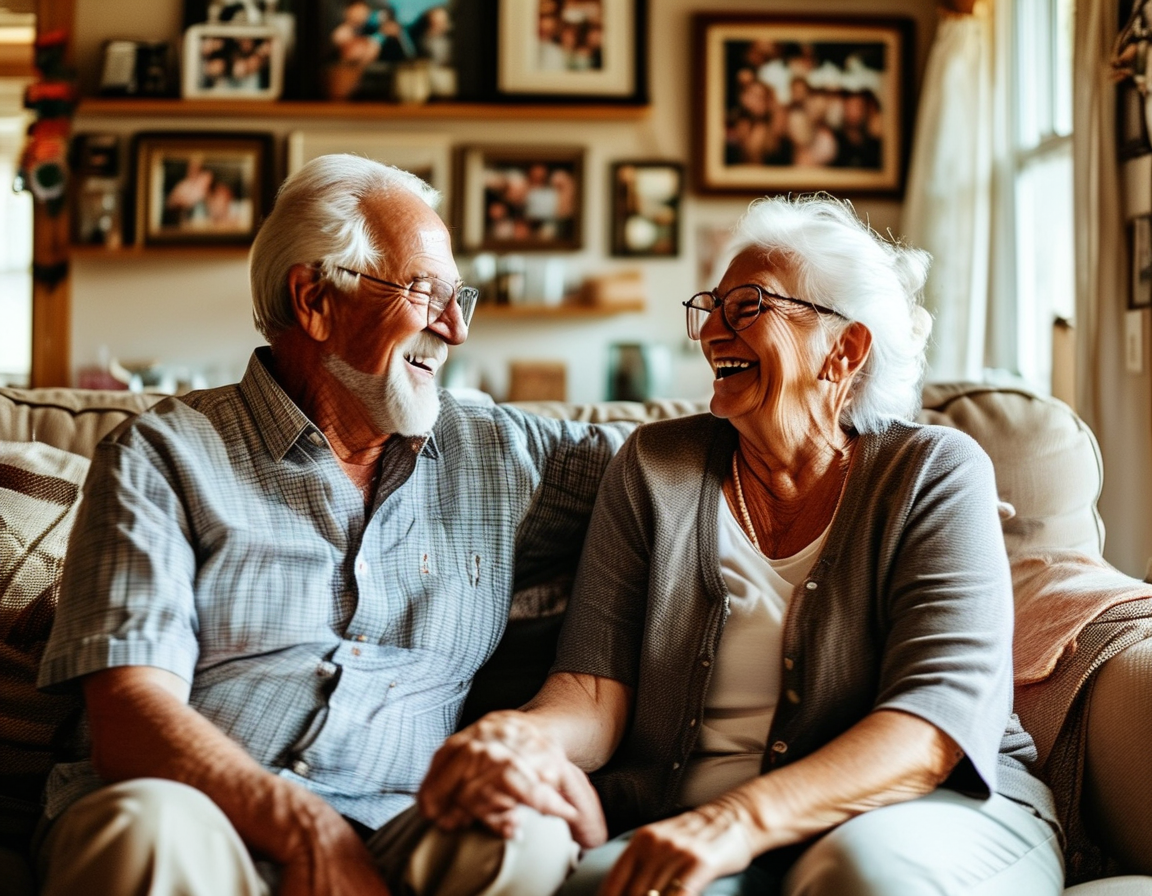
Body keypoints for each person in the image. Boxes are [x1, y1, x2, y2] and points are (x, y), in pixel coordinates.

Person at [418, 195, 1066, 895]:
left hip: (924, 810)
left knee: (862, 875)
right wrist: (523, 739)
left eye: (749, 307)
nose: (714, 332)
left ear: (844, 350)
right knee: (606, 884)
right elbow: (593, 690)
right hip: (695, 820)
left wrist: (737, 820)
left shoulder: (934, 471)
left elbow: (932, 725)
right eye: (713, 307)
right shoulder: (655, 467)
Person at [34, 153, 628, 896]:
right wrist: (305, 829)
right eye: (424, 293)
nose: (454, 329)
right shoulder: (162, 456)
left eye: (459, 298)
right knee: (143, 829)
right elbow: (130, 715)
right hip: (200, 817)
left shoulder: (502, 454)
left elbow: (677, 466)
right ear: (316, 298)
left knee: (523, 830)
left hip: (406, 827)